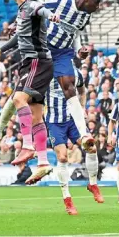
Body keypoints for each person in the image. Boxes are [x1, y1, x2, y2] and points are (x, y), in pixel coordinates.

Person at [0, 0, 102, 157]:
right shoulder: (57, 0)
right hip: (42, 49)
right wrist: (17, 23)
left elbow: (75, 34)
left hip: (63, 53)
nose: (98, 6)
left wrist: (79, 50)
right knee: (19, 95)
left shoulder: (85, 16)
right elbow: (30, 4)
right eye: (97, 1)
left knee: (69, 85)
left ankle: (84, 133)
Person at [0, 0, 59, 180]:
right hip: (32, 63)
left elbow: (41, 9)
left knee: (18, 99)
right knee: (36, 114)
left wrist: (51, 15)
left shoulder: (31, 5)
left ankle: (28, 146)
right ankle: (43, 161)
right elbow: (19, 37)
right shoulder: (22, 11)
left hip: (36, 62)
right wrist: (0, 50)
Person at [45, 67, 104, 214]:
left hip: (72, 121)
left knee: (91, 147)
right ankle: (67, 199)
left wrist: (82, 108)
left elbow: (82, 91)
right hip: (55, 123)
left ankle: (93, 184)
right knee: (62, 157)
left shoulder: (75, 73)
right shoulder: (46, 73)